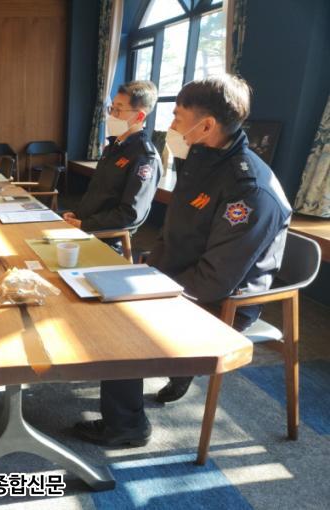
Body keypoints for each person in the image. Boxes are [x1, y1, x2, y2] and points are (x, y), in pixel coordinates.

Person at [73, 74, 292, 446]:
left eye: (176, 117)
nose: (170, 126)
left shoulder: (248, 189)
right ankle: (165, 372)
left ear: (206, 126)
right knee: (96, 289)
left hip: (224, 302)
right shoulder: (202, 162)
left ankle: (127, 427)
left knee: (120, 322)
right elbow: (176, 235)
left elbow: (214, 281)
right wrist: (146, 271)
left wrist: (146, 288)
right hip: (179, 278)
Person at [63, 80, 162, 241]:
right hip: (85, 229)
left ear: (139, 116)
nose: (112, 115)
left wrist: (85, 225)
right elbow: (97, 193)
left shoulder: (145, 158)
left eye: (118, 110)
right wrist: (77, 214)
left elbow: (129, 214)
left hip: (105, 238)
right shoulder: (113, 147)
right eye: (112, 108)